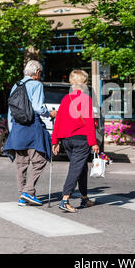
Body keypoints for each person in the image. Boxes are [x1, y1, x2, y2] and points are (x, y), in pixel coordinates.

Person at [3, 60, 56, 207]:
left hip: (18, 128)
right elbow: (38, 107)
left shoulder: (16, 85)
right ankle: (28, 191)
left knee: (21, 163)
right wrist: (50, 114)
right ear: (37, 72)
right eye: (40, 73)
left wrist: (11, 129)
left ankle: (22, 195)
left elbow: (10, 111)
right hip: (32, 128)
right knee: (40, 160)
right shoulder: (36, 84)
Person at [52, 69, 99, 213]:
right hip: (81, 140)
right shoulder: (86, 99)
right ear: (83, 83)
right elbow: (89, 123)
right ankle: (65, 199)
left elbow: (58, 120)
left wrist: (55, 141)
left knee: (81, 167)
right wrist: (94, 142)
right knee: (75, 168)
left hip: (67, 140)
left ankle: (84, 197)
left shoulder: (66, 99)